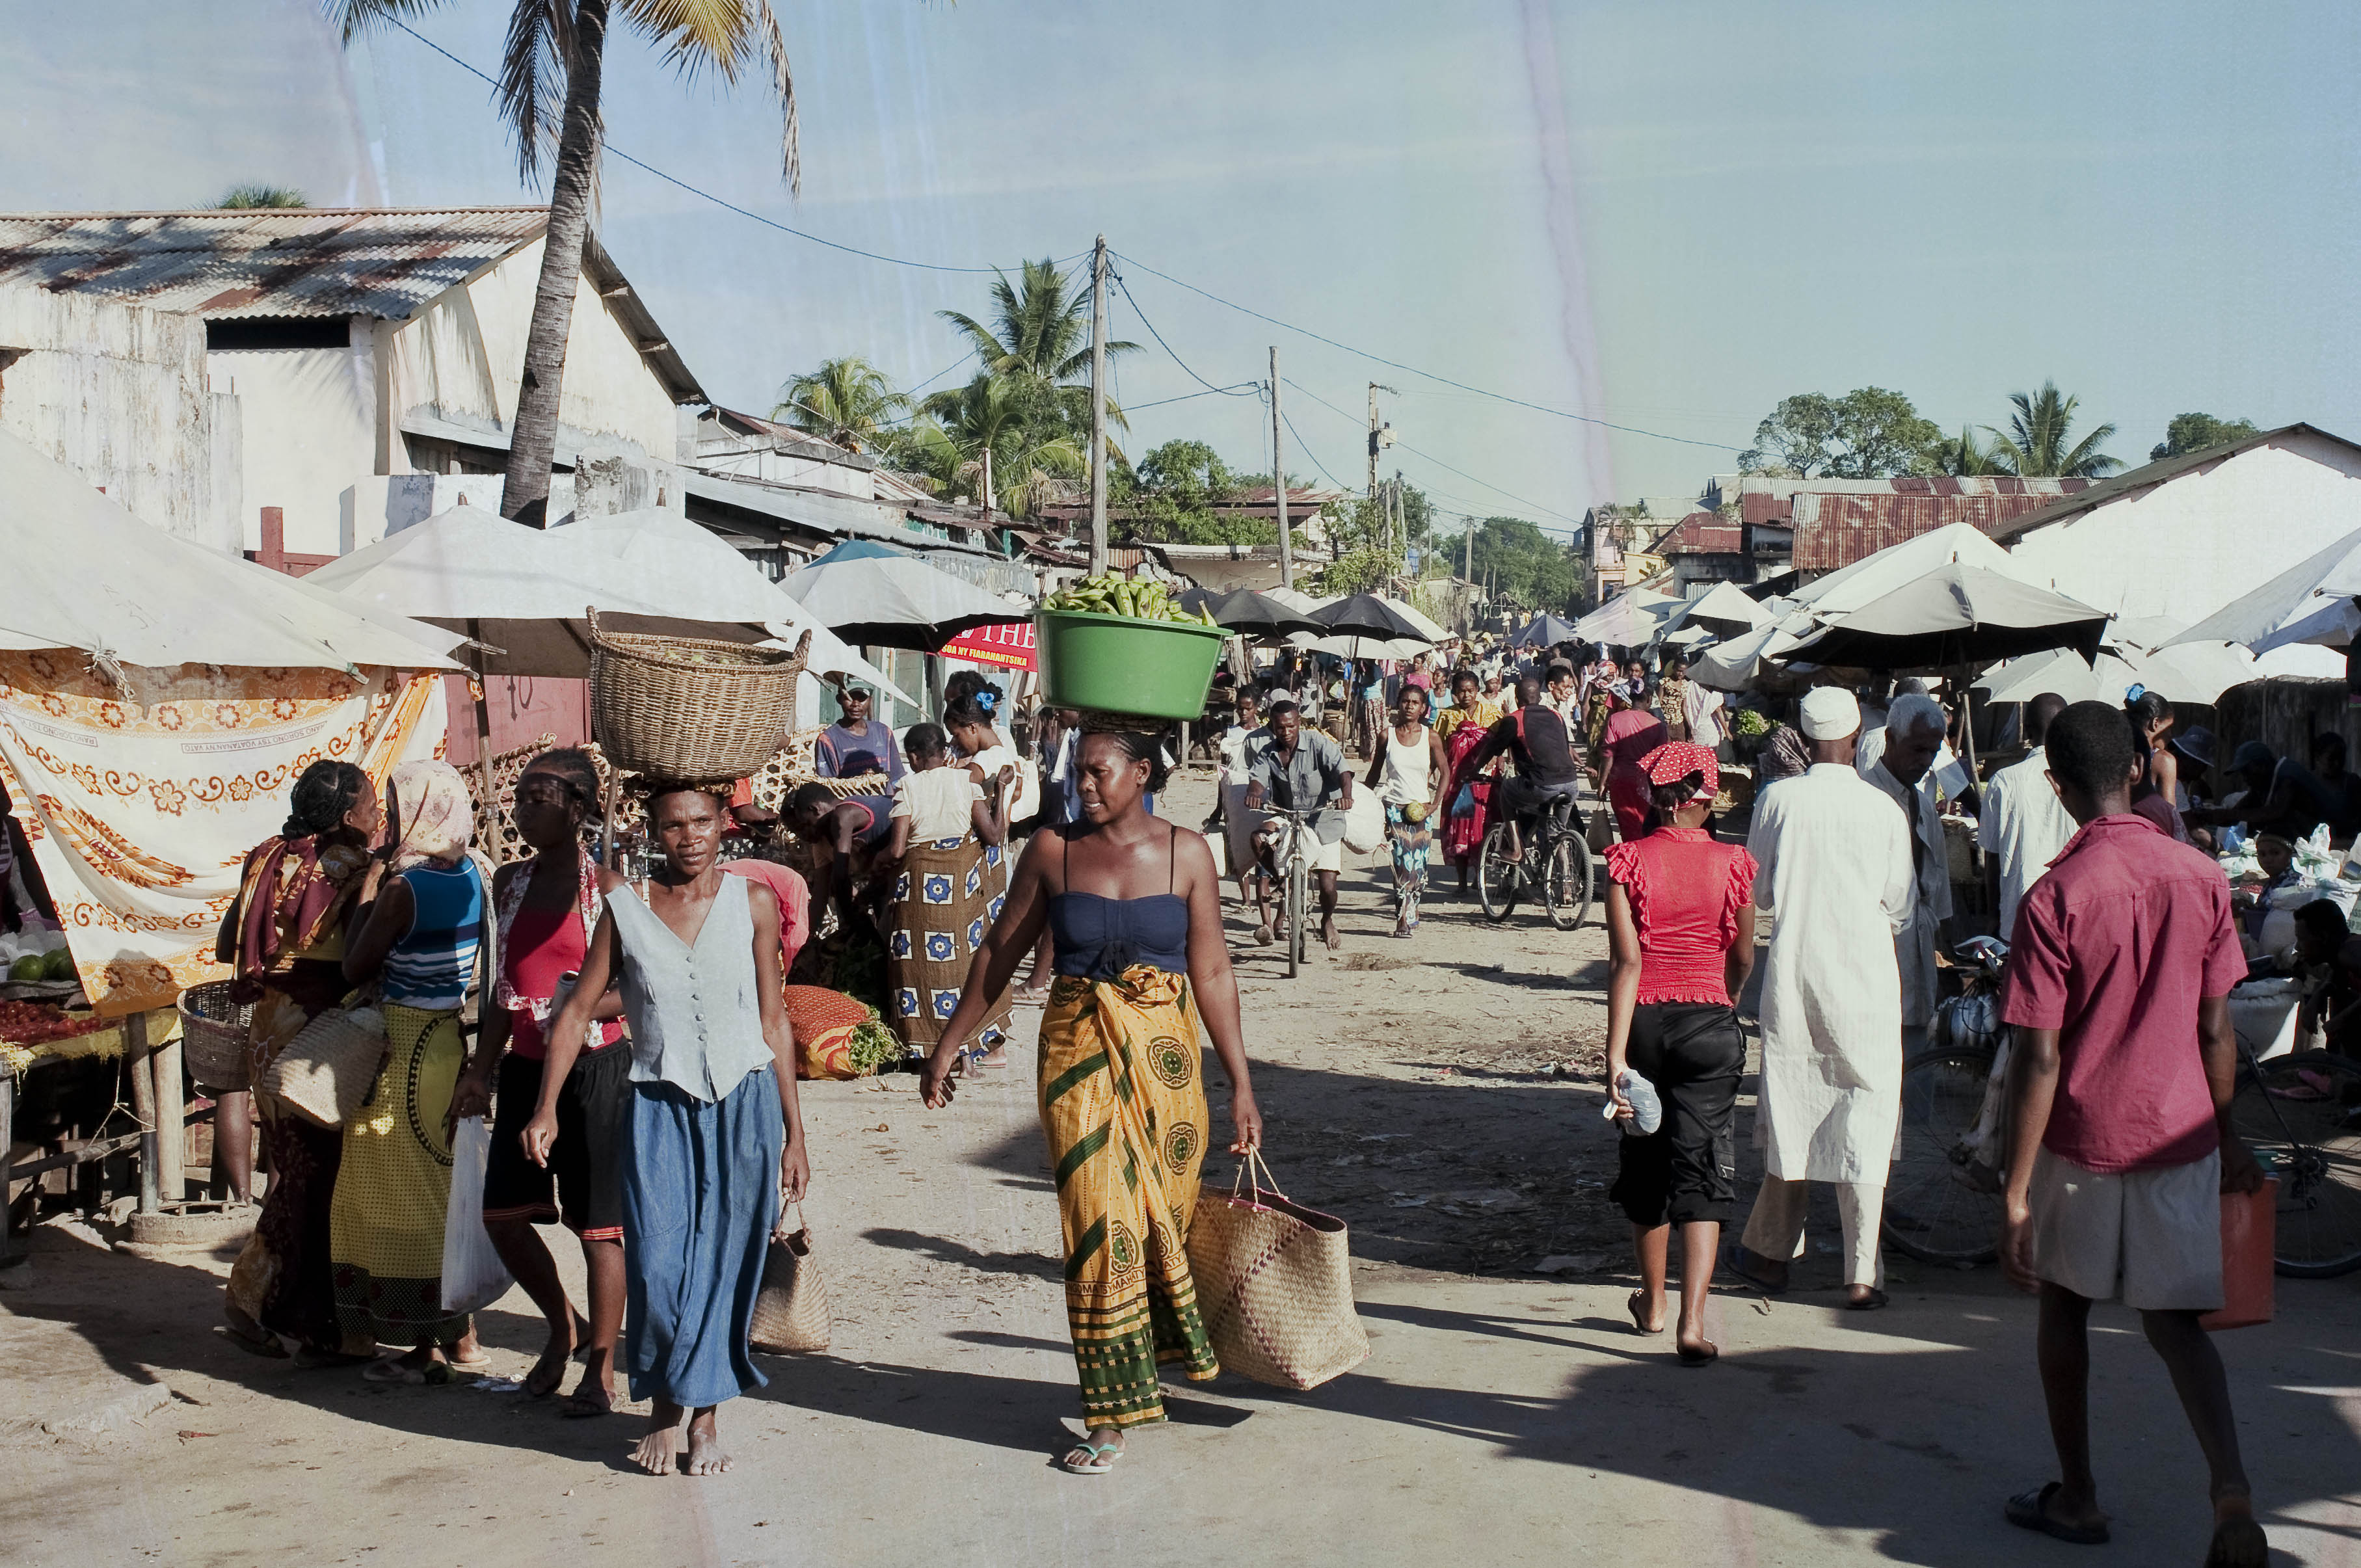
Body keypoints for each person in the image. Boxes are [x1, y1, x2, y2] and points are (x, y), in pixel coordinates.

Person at [918, 724, 1262, 1474]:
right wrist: (949, 1044)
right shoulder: (1053, 851)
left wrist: (1240, 1081)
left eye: (1100, 772)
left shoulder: (1186, 852)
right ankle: (1108, 1412)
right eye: (1078, 773)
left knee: (1159, 1219)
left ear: (1142, 772)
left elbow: (1212, 970)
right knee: (1098, 1226)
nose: (1084, 785)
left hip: (1167, 1066)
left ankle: (1150, 1364)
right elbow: (1000, 951)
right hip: (1077, 1056)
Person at [1994, 702, 2268, 1564]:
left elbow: (2038, 1059)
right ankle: (2229, 1488)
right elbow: (2217, 1029)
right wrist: (2225, 1135)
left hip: (2082, 1135)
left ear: (2055, 787)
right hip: (2179, 1129)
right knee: (2177, 1323)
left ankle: (2077, 1495)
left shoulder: (2054, 895)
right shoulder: (2200, 875)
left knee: (2063, 1308)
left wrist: (2011, 1189)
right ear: (2140, 772)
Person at [526, 782, 808, 1478]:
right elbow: (576, 1010)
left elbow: (774, 1020)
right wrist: (545, 1105)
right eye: (674, 825)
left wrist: (795, 1133)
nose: (690, 837)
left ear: (723, 826)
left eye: (702, 822)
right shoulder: (626, 911)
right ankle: (662, 1401)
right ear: (654, 831)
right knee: (659, 1259)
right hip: (656, 1103)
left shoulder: (754, 903)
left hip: (744, 1102)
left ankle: (703, 1412)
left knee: (726, 1260)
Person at [450, 749, 628, 1413]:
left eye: (538, 797)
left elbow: (635, 990)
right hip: (523, 1068)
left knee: (599, 1227)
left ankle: (603, 1368)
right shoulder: (510, 884)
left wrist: (573, 1010)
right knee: (502, 1214)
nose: (522, 809)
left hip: (594, 1071)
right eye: (519, 797)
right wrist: (478, 1071)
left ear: (579, 807)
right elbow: (503, 988)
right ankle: (562, 1326)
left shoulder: (608, 890)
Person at [1728, 688, 1915, 1309]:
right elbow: (1901, 907)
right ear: (1861, 733)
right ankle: (1861, 1274)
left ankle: (1771, 1256)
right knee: (1866, 1109)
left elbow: (1753, 890)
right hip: (1866, 977)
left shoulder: (1778, 799)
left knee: (1793, 1105)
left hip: (1796, 974)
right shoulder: (1885, 808)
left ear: (1803, 738)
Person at [219, 760, 385, 1362]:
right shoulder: (349, 866)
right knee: (315, 1178)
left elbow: (229, 940)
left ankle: (320, 1325)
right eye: (370, 804)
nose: (378, 813)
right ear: (347, 817)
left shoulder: (266, 854)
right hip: (314, 1038)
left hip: (267, 1025)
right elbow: (366, 948)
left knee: (301, 1172)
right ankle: (254, 1301)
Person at [1603, 741, 1756, 1366]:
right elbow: (1743, 954)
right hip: (1711, 1024)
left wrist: (1614, 1060)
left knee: (1645, 1159)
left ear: (1655, 799)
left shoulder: (1627, 861)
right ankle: (1692, 1322)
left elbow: (1626, 962)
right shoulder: (1736, 862)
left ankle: (1652, 1301)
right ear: (1710, 796)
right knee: (1703, 1165)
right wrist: (1726, 998)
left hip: (1645, 1027)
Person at [334, 759, 488, 1378]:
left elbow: (354, 965)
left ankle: (420, 1342)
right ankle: (461, 1334)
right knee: (436, 1190)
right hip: (446, 1043)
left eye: (398, 809)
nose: (390, 821)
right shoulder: (476, 875)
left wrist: (371, 878)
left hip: (397, 1047)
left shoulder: (404, 890)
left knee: (390, 1194)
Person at [883, 722, 1013, 1063]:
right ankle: (971, 1046)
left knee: (916, 969)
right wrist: (1001, 793)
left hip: (918, 891)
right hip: (958, 890)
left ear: (913, 757)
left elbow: (897, 850)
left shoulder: (907, 786)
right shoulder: (965, 782)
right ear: (945, 752)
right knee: (962, 963)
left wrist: (872, 863)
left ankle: (925, 1048)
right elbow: (994, 835)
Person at [1861, 693, 1955, 1051]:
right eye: (1917, 750)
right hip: (1874, 948)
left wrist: (1946, 940)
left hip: (1917, 943)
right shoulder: (1864, 798)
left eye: (1932, 752)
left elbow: (1938, 878)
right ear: (1890, 739)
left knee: (1917, 1055)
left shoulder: (1922, 804)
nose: (1925, 761)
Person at [1245, 698, 1354, 950]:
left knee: (1328, 886)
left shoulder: (1318, 744)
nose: (1286, 732)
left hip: (1322, 819)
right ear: (1272, 726)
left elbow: (1342, 771)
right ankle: (1284, 880)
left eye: (1291, 726)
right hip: (1287, 815)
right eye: (1280, 727)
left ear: (1299, 723)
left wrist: (1346, 795)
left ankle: (1327, 921)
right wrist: (1253, 793)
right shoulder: (1268, 752)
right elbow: (1257, 779)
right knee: (1258, 838)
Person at [1447, 676, 1587, 862]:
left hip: (1542, 785)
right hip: (1571, 784)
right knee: (1557, 835)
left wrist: (1475, 771)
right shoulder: (1556, 715)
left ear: (1517, 697)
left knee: (1507, 790)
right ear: (1539, 697)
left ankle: (1515, 849)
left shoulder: (1514, 720)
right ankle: (1567, 883)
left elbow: (1492, 749)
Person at [1979, 692, 2077, 942]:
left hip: (2018, 910)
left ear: (2027, 729)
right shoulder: (2079, 778)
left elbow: (1991, 856)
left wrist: (1993, 915)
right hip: (2070, 909)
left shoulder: (2004, 780)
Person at [1365, 683, 1446, 938]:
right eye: (1405, 701)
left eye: (1415, 703)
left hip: (1421, 811)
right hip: (1394, 810)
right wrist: (1362, 800)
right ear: (1398, 704)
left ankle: (1413, 909)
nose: (1409, 706)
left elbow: (1446, 771)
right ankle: (1401, 918)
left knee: (1419, 869)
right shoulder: (1386, 736)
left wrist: (1434, 804)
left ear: (1423, 708)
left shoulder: (1431, 737)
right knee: (1402, 866)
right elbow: (1375, 773)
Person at [786, 780, 897, 934]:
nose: (804, 835)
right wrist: (808, 936)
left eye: (805, 824)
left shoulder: (844, 814)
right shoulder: (822, 841)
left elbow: (840, 876)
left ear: (815, 809)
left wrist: (848, 928)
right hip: (885, 877)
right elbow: (821, 892)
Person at [1437, 671, 1504, 893]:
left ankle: (1480, 877)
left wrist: (1499, 762)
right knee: (1459, 829)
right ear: (1454, 693)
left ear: (1478, 691)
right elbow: (1438, 750)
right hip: (1457, 783)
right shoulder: (1446, 716)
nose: (1466, 695)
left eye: (1470, 690)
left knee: (1484, 828)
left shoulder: (1493, 714)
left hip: (1485, 783)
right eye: (1461, 691)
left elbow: (1501, 744)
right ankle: (1462, 882)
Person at [1215, 690, 1270, 911]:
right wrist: (1219, 805)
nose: (1244, 712)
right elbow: (1223, 773)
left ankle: (1263, 893)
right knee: (1238, 842)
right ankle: (1246, 898)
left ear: (1257, 707)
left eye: (1248, 708)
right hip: (1234, 792)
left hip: (1260, 793)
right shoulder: (1229, 733)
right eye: (1240, 708)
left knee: (1261, 841)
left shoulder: (1264, 734)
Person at [1599, 704, 1671, 844]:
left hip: (1621, 780)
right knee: (1646, 824)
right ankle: (1643, 858)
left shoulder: (1615, 719)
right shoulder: (1657, 724)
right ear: (1649, 700)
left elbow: (1608, 753)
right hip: (1647, 782)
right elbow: (1662, 756)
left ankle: (1632, 860)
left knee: (1628, 825)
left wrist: (1602, 782)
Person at [813, 680, 905, 785]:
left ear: (870, 700)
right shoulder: (828, 740)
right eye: (849, 698)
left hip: (884, 800)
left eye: (862, 699)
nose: (855, 704)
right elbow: (827, 784)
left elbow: (897, 778)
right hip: (849, 800)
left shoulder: (883, 733)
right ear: (839, 700)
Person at [1656, 652, 1724, 751]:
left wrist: (1689, 727)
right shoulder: (1664, 682)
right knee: (1665, 750)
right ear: (1674, 669)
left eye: (1684, 672)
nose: (1681, 674)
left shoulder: (1685, 685)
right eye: (1679, 671)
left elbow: (1684, 708)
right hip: (1665, 722)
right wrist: (1659, 722)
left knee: (1680, 750)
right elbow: (1658, 703)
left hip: (1679, 723)